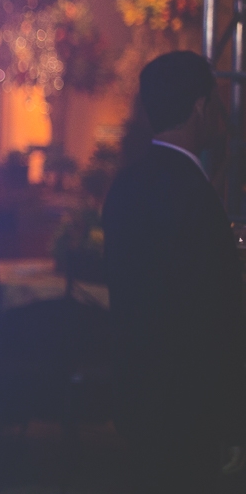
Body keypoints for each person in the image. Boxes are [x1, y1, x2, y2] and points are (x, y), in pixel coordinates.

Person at [103, 50, 246, 493]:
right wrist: (233, 419)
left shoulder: (125, 186)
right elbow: (216, 318)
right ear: (200, 107)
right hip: (191, 404)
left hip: (137, 391)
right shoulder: (195, 195)